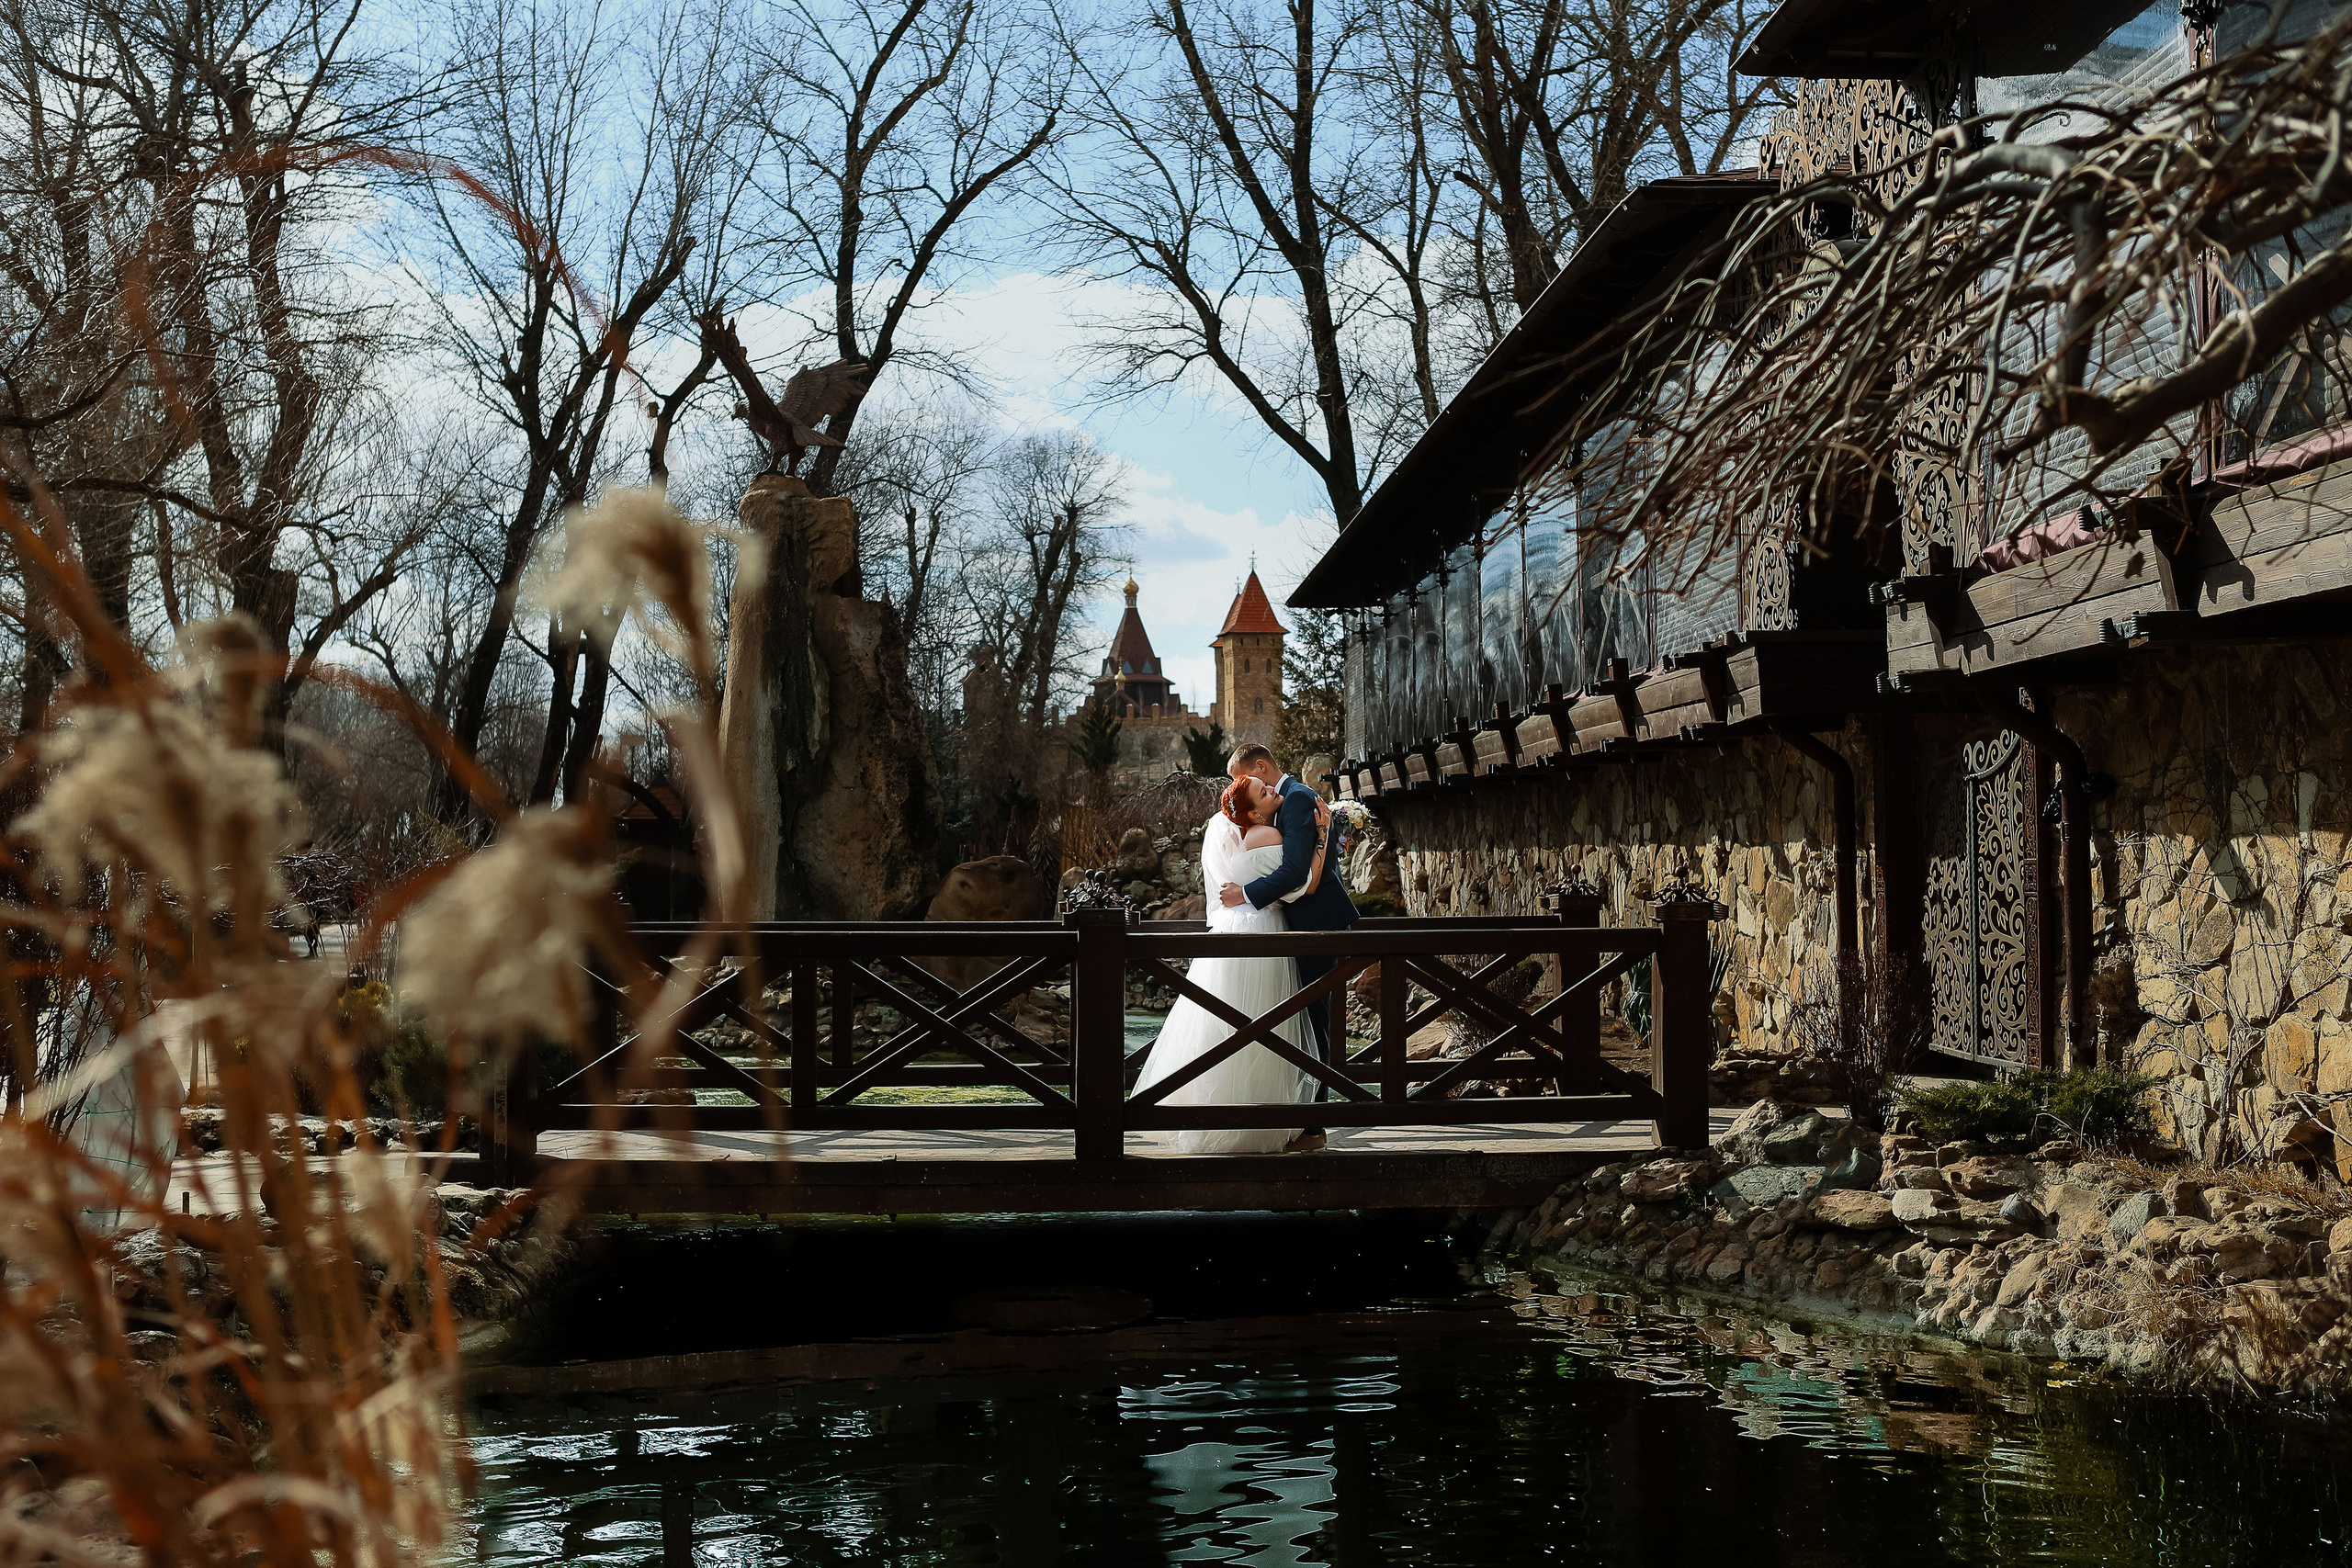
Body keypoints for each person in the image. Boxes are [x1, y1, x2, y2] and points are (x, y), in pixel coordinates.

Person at [1133, 774, 1335, 1154]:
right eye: (1263, 792)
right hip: (1264, 929)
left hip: (1235, 927)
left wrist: (1242, 893)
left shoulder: (1232, 838)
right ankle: (1267, 1122)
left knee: (1228, 1021)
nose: (1273, 791)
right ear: (1255, 814)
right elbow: (1304, 882)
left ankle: (1216, 1114)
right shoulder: (1269, 837)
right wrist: (1322, 835)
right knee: (1269, 1022)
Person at [1218, 742, 1359, 1154]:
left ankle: (1314, 1130)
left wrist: (1245, 895)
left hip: (1315, 925)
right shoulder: (1284, 802)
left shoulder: (1296, 799)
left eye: (1242, 776)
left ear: (1260, 766)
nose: (1239, 785)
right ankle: (1298, 1120)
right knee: (1297, 1026)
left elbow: (1295, 872)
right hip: (1298, 925)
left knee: (1316, 1024)